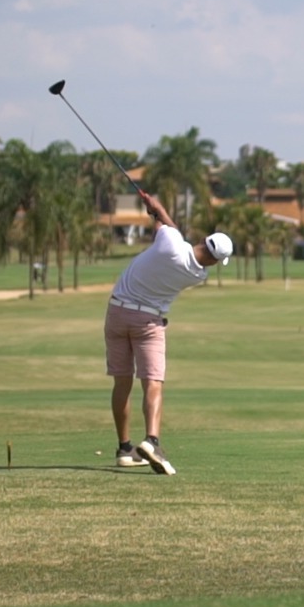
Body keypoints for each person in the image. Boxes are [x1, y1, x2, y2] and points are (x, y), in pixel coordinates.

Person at [104, 191, 233, 475]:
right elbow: (169, 229)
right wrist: (159, 212)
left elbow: (167, 228)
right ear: (214, 261)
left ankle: (124, 449)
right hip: (148, 322)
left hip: (116, 312)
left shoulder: (171, 242)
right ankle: (152, 441)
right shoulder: (199, 275)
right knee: (153, 382)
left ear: (203, 240)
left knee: (121, 383)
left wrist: (156, 207)